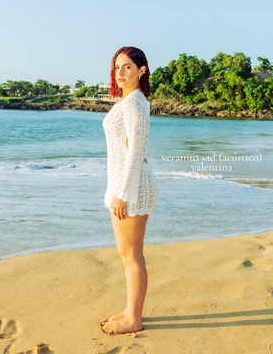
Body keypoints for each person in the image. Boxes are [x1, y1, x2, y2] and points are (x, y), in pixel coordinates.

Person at [101, 46, 158, 334]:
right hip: (125, 186)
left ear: (141, 70)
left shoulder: (135, 102)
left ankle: (134, 319)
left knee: (132, 254)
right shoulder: (128, 101)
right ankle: (129, 310)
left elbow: (136, 151)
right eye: (117, 67)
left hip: (132, 189)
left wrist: (122, 193)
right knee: (127, 253)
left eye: (127, 67)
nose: (120, 72)